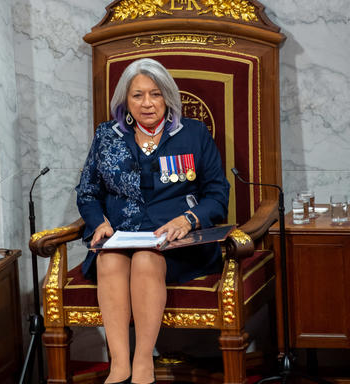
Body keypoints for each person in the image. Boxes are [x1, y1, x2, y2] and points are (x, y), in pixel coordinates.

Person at [76, 58, 229, 384]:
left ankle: (143, 362)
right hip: (120, 234)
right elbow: (87, 192)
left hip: (176, 244)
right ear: (125, 101)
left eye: (155, 94)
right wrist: (98, 223)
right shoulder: (108, 135)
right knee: (109, 261)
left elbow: (218, 194)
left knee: (147, 259)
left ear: (168, 97)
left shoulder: (193, 133)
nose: (147, 103)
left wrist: (189, 219)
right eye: (138, 95)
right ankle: (118, 365)